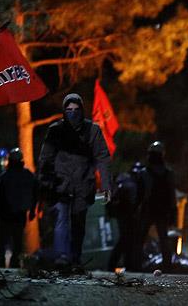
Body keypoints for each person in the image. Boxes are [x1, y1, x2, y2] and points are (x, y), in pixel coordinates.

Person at [38, 93, 112, 266]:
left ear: (82, 110)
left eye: (76, 109)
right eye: (69, 109)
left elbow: (102, 157)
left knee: (78, 222)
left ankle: (75, 257)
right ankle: (62, 257)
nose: (73, 113)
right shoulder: (56, 130)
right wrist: (45, 183)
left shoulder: (92, 130)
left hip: (83, 184)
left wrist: (106, 184)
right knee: (61, 220)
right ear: (64, 111)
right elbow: (45, 158)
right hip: (60, 184)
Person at [0, 148, 37, 268]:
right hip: (19, 212)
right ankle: (14, 262)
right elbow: (34, 193)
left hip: (6, 212)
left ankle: (2, 262)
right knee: (17, 239)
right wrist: (32, 210)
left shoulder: (5, 176)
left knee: (2, 239)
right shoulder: (28, 175)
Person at [138, 141, 177, 272]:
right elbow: (172, 195)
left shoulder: (144, 173)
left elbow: (141, 194)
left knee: (141, 238)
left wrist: (137, 209)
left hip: (149, 209)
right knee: (163, 239)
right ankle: (167, 265)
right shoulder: (168, 173)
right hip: (161, 210)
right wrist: (173, 211)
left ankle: (136, 265)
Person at [108, 161, 146, 271]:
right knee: (126, 239)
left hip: (122, 214)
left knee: (127, 239)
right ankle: (118, 264)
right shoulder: (131, 184)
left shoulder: (122, 180)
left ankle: (126, 264)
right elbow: (133, 201)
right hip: (127, 214)